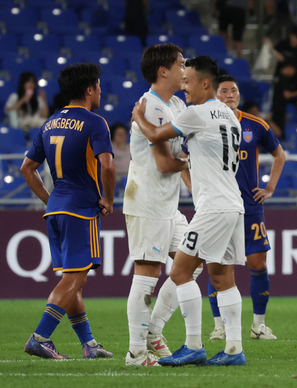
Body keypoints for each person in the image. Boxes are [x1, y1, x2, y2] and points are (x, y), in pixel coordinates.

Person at [131, 56, 247, 366]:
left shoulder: (196, 113)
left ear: (205, 83)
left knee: (180, 272)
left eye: (188, 80)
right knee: (223, 278)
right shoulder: (230, 115)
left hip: (212, 208)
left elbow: (156, 135)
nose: (184, 86)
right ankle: (234, 349)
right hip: (234, 205)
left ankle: (193, 344)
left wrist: (139, 117)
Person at [20, 63, 115, 359]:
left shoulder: (48, 124)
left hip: (56, 210)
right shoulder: (95, 122)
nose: (100, 91)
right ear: (89, 90)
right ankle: (40, 337)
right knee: (76, 278)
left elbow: (27, 168)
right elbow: (108, 165)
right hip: (80, 209)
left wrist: (51, 199)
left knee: (72, 277)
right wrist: (108, 200)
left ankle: (88, 345)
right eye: (98, 86)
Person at [123, 43, 205, 367]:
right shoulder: (152, 105)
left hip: (168, 206)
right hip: (147, 202)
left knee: (193, 263)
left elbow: (179, 155)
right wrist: (188, 162)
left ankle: (153, 331)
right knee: (146, 275)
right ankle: (136, 353)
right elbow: (164, 164)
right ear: (164, 70)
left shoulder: (172, 102)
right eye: (181, 63)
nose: (185, 68)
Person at [208, 74, 285, 340]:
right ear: (216, 94)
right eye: (225, 91)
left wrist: (270, 188)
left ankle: (258, 325)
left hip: (249, 206)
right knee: (216, 265)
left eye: (234, 90)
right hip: (217, 206)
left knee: (258, 264)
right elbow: (184, 160)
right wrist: (196, 190)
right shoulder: (206, 123)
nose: (231, 95)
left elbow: (279, 153)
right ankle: (219, 326)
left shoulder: (254, 124)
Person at [271, 26, 297, 137]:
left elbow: (296, 67)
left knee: (291, 112)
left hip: (292, 84)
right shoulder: (282, 44)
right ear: (291, 35)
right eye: (296, 37)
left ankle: (289, 134)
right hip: (279, 83)